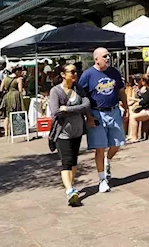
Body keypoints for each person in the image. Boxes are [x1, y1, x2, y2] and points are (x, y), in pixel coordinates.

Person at [78, 47, 128, 194]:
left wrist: (126, 108)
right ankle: (102, 180)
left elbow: (121, 91)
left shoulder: (114, 72)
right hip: (97, 114)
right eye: (105, 56)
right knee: (100, 147)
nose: (107, 58)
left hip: (114, 111)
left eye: (109, 56)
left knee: (117, 144)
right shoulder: (88, 75)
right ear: (96, 59)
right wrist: (88, 116)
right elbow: (81, 95)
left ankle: (108, 161)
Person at [48, 64, 89, 205]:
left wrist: (67, 108)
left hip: (77, 132)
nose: (75, 74)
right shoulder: (55, 91)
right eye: (72, 72)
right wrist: (75, 110)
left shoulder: (78, 89)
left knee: (73, 161)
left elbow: (86, 105)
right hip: (62, 133)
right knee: (66, 161)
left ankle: (71, 188)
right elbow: (55, 112)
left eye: (76, 71)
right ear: (63, 74)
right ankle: (70, 190)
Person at [1, 66, 26, 137]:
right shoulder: (19, 79)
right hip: (15, 96)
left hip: (7, 96)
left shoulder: (5, 78)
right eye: (20, 71)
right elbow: (20, 90)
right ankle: (14, 130)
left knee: (7, 114)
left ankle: (6, 131)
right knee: (16, 112)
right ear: (17, 71)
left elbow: (1, 89)